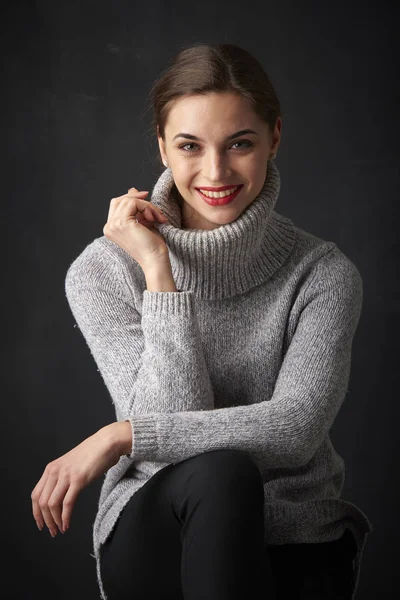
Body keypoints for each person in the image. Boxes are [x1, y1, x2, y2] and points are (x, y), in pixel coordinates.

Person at [31, 42, 373, 599]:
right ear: (163, 147)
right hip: (157, 525)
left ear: (275, 139)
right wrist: (157, 270)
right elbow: (176, 420)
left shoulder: (323, 275)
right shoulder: (104, 271)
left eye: (240, 143)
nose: (215, 171)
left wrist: (124, 436)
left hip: (294, 533)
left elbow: (294, 431)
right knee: (222, 472)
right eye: (190, 146)